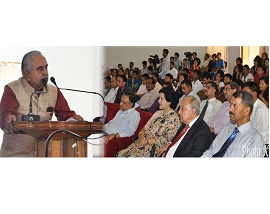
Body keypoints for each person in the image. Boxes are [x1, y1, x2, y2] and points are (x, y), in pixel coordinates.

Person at [0, 50, 83, 157]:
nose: (45, 72)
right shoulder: (12, 89)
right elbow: (5, 116)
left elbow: (65, 114)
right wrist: (8, 118)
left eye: (46, 67)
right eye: (40, 69)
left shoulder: (53, 91)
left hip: (43, 153)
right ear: (27, 74)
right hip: (15, 155)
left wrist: (74, 119)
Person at [116, 87, 180, 157]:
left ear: (169, 101)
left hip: (152, 148)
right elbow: (144, 129)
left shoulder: (173, 118)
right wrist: (141, 136)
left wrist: (146, 141)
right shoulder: (157, 113)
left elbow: (166, 139)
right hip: (141, 143)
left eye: (162, 99)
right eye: (159, 98)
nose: (158, 101)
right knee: (119, 155)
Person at [202, 91, 264, 157]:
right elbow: (211, 151)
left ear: (246, 111)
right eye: (230, 105)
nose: (230, 109)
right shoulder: (227, 129)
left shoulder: (255, 139)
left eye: (235, 106)